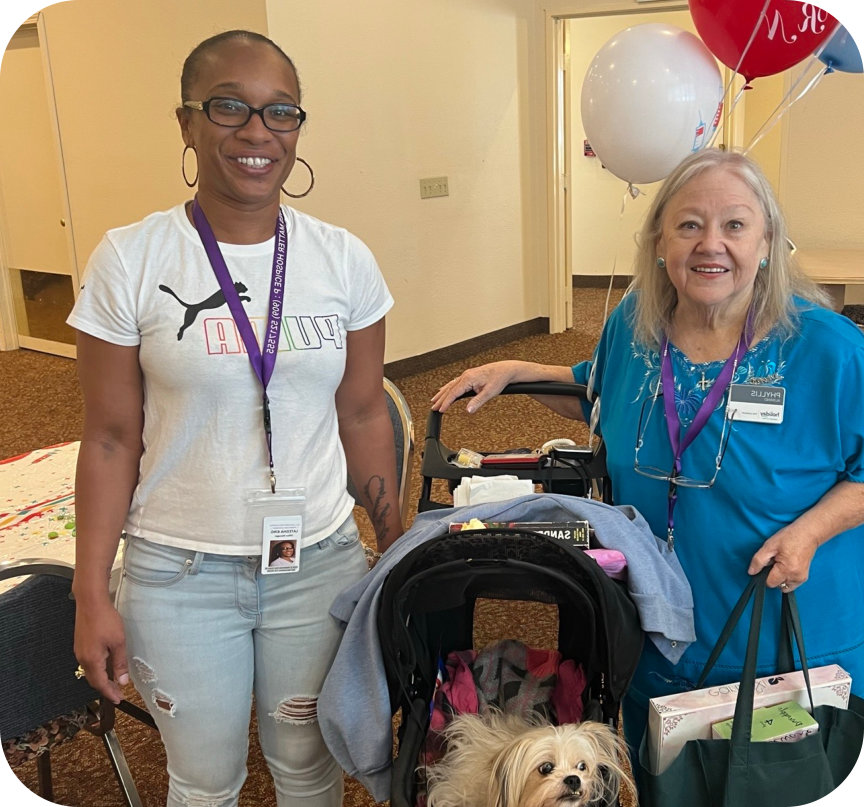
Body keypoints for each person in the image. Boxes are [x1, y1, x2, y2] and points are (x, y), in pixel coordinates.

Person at [432, 148, 864, 774]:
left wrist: (811, 531)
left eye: (734, 225)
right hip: (659, 627)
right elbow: (604, 397)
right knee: (670, 778)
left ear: (767, 241)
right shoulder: (635, 325)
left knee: (779, 785)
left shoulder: (827, 348)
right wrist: (519, 369)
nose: (710, 244)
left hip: (784, 632)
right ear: (660, 240)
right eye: (689, 224)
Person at [68, 30, 403, 807]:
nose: (256, 133)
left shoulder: (343, 260)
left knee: (311, 768)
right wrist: (92, 592)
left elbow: (361, 413)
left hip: (315, 561)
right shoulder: (132, 259)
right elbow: (112, 437)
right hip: (178, 573)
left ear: (297, 127)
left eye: (280, 112)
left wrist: (395, 550)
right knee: (204, 781)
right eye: (229, 107)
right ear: (186, 122)